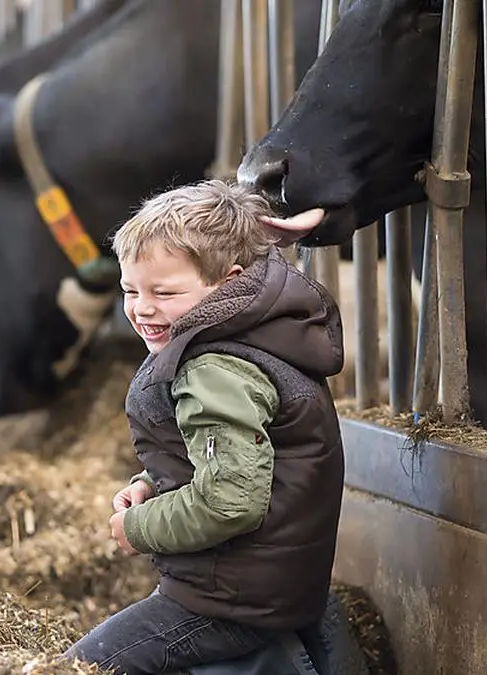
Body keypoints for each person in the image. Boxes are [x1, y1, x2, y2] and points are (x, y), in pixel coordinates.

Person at [63, 179, 346, 675]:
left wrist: (139, 528)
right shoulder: (259, 332)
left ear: (227, 280)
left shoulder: (215, 369)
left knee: (82, 667)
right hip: (271, 580)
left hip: (227, 597)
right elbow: (243, 451)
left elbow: (229, 498)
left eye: (164, 292)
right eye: (130, 290)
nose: (142, 307)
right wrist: (151, 484)